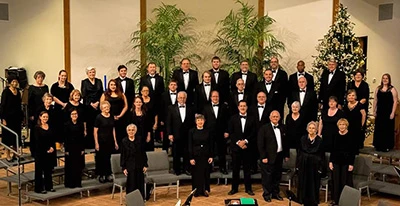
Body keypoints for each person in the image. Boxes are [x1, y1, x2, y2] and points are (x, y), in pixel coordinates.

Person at [257, 110, 289, 202]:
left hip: (279, 156)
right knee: (267, 177)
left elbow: (286, 142)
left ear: (279, 118)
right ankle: (267, 194)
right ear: (270, 118)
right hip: (268, 157)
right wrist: (263, 157)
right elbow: (260, 144)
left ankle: (275, 193)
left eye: (277, 116)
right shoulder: (264, 128)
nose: (275, 118)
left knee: (277, 176)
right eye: (273, 116)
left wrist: (286, 154)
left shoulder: (283, 127)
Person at [227, 100, 256, 196]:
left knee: (247, 170)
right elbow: (231, 132)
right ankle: (234, 189)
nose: (243, 108)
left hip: (247, 148)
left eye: (244, 106)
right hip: (236, 148)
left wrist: (245, 141)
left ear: (247, 107)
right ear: (238, 107)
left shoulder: (252, 118)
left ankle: (248, 189)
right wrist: (239, 142)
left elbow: (253, 133)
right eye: (241, 106)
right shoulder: (232, 118)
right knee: (235, 169)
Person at [166, 91, 195, 175]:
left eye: (183, 98)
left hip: (187, 134)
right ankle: (177, 170)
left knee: (187, 152)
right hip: (176, 134)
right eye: (180, 97)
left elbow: (192, 122)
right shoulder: (171, 108)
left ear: (186, 98)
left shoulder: (191, 108)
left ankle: (187, 169)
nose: (182, 99)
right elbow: (168, 122)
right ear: (177, 98)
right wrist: (170, 134)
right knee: (176, 153)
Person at [329, 118, 356, 205]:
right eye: (340, 125)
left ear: (346, 125)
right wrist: (330, 161)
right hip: (336, 161)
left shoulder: (351, 136)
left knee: (344, 181)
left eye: (343, 125)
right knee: (335, 181)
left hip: (346, 162)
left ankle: (345, 201)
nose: (342, 126)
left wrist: (351, 163)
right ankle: (335, 200)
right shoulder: (335, 135)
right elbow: (332, 149)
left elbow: (352, 151)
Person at [296, 121, 324, 206]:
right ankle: (302, 199)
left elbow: (321, 154)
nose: (311, 130)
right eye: (310, 128)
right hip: (303, 163)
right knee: (303, 182)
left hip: (314, 165)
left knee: (313, 183)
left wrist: (321, 167)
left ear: (316, 130)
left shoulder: (319, 140)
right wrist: (298, 165)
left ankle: (313, 200)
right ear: (307, 129)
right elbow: (300, 152)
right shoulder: (303, 138)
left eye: (313, 128)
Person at [202, 91, 230, 174]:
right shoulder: (205, 107)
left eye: (217, 96)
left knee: (222, 151)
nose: (215, 98)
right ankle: (209, 168)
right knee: (209, 151)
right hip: (209, 133)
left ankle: (223, 168)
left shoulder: (224, 106)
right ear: (210, 97)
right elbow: (204, 121)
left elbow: (228, 120)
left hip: (221, 133)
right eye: (213, 96)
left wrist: (227, 131)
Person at [188, 114, 214, 197]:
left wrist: (211, 156)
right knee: (196, 173)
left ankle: (205, 190)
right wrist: (191, 157)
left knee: (205, 173)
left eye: (202, 120)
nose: (200, 122)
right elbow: (189, 145)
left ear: (204, 121)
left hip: (205, 155)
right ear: (196, 122)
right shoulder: (191, 131)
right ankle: (196, 191)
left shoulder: (208, 131)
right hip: (195, 155)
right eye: (198, 120)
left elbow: (211, 144)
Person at [120, 124, 148, 199]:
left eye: (132, 130)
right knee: (131, 184)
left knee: (140, 183)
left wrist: (145, 164)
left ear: (135, 131)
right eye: (129, 130)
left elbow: (143, 153)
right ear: (127, 131)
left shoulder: (140, 139)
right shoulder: (124, 141)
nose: (131, 132)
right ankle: (131, 201)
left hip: (139, 165)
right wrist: (124, 167)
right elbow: (123, 155)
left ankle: (140, 200)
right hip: (130, 166)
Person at [94, 101, 118, 183]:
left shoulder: (111, 116)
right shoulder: (98, 117)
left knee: (108, 158)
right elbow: (95, 131)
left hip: (110, 141)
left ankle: (108, 174)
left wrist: (115, 141)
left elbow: (113, 129)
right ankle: (101, 175)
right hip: (101, 141)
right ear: (101, 109)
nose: (106, 109)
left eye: (107, 107)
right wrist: (96, 143)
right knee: (101, 158)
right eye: (104, 107)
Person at [100, 79, 128, 151]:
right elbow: (101, 106)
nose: (113, 86)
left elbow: (126, 106)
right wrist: (109, 116)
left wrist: (120, 115)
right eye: (111, 85)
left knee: (120, 135)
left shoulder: (121, 94)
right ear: (109, 86)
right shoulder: (105, 95)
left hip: (120, 118)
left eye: (114, 85)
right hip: (108, 119)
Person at [0, 75, 23, 162]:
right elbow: (2, 106)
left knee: (16, 137)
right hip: (8, 118)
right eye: (13, 81)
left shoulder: (18, 92)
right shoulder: (6, 92)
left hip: (16, 118)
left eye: (16, 81)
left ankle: (15, 154)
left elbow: (19, 105)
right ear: (10, 82)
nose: (15, 83)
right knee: (7, 137)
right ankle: (8, 155)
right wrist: (3, 118)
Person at [373, 73, 398, 152]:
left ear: (389, 80)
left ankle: (387, 146)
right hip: (380, 112)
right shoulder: (378, 89)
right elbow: (375, 100)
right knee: (379, 128)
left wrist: (393, 112)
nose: (385, 80)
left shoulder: (392, 89)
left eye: (386, 78)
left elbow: (395, 101)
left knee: (387, 129)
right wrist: (374, 110)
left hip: (388, 113)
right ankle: (378, 145)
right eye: (383, 78)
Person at [248, 91, 272, 173]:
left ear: (266, 98)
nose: (261, 98)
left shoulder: (270, 108)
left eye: (263, 97)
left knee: (265, 151)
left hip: (266, 134)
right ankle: (253, 168)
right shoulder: (251, 108)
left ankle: (264, 170)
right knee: (253, 151)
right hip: (254, 134)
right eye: (259, 97)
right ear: (256, 98)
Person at [81, 67, 103, 149]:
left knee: (97, 124)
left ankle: (97, 142)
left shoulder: (99, 81)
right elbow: (84, 94)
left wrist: (98, 102)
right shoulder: (84, 82)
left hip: (98, 105)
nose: (92, 74)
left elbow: (101, 93)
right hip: (88, 106)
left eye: (93, 72)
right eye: (90, 72)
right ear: (87, 73)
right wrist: (91, 103)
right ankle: (89, 144)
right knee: (90, 124)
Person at [34, 111, 56, 194]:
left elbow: (52, 138)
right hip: (40, 152)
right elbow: (38, 141)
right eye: (44, 117)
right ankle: (39, 188)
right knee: (39, 171)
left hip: (49, 151)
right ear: (40, 117)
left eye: (46, 117)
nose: (45, 118)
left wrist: (52, 148)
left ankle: (49, 187)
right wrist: (46, 148)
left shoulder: (50, 126)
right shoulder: (37, 128)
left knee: (48, 170)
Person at [50, 70, 75, 144]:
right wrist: (62, 104)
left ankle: (66, 142)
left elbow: (72, 95)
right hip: (58, 108)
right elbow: (53, 97)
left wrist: (67, 104)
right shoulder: (54, 86)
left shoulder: (69, 86)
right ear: (59, 76)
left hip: (68, 108)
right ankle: (59, 143)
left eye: (65, 76)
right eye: (62, 75)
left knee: (66, 125)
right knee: (58, 125)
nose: (63, 77)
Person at [28, 71, 49, 156]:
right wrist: (31, 114)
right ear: (35, 78)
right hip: (35, 112)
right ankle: (33, 150)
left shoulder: (45, 87)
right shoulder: (31, 88)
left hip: (44, 111)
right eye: (38, 77)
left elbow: (47, 98)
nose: (40, 79)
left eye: (41, 77)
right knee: (35, 132)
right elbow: (29, 102)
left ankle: (45, 148)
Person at [63, 109, 85, 188]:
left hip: (78, 147)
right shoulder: (67, 124)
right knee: (70, 166)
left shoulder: (80, 124)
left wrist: (82, 149)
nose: (74, 115)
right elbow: (66, 138)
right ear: (70, 115)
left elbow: (82, 137)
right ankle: (70, 183)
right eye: (73, 114)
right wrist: (66, 150)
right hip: (70, 147)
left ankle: (78, 183)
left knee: (78, 166)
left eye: (76, 114)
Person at [159, 80, 179, 151]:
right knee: (166, 137)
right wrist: (161, 119)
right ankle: (165, 152)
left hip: (177, 119)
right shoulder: (164, 95)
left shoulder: (180, 95)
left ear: (177, 86)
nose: (173, 86)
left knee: (176, 137)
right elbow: (161, 107)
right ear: (169, 86)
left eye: (174, 85)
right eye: (171, 84)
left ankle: (174, 152)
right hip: (166, 119)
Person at [140, 86, 158, 151]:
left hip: (150, 124)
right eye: (144, 91)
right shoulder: (139, 100)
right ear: (141, 92)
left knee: (149, 142)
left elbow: (155, 113)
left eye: (147, 91)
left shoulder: (152, 100)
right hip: (140, 123)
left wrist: (156, 123)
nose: (146, 92)